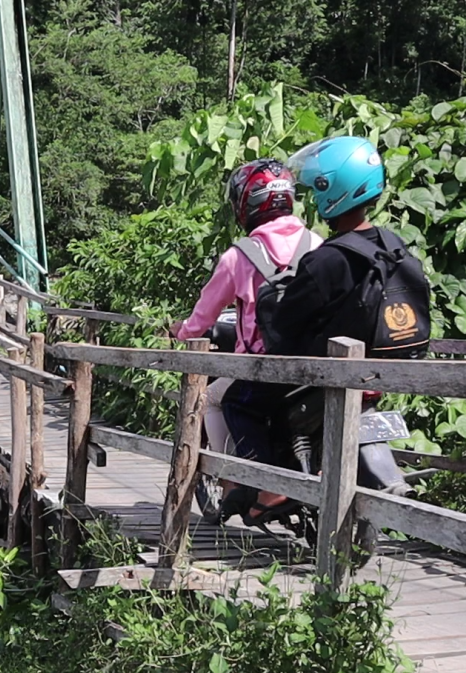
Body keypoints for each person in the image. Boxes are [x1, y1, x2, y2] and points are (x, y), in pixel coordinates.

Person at [223, 136, 429, 525]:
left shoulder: (329, 259)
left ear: (328, 189)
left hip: (324, 374)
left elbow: (285, 326)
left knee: (238, 399)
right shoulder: (393, 244)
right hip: (381, 371)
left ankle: (271, 484)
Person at [170, 159, 321, 517]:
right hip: (315, 364)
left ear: (247, 203)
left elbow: (203, 316)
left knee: (215, 399)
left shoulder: (239, 256)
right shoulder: (318, 243)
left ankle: (235, 479)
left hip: (261, 367)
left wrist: (182, 332)